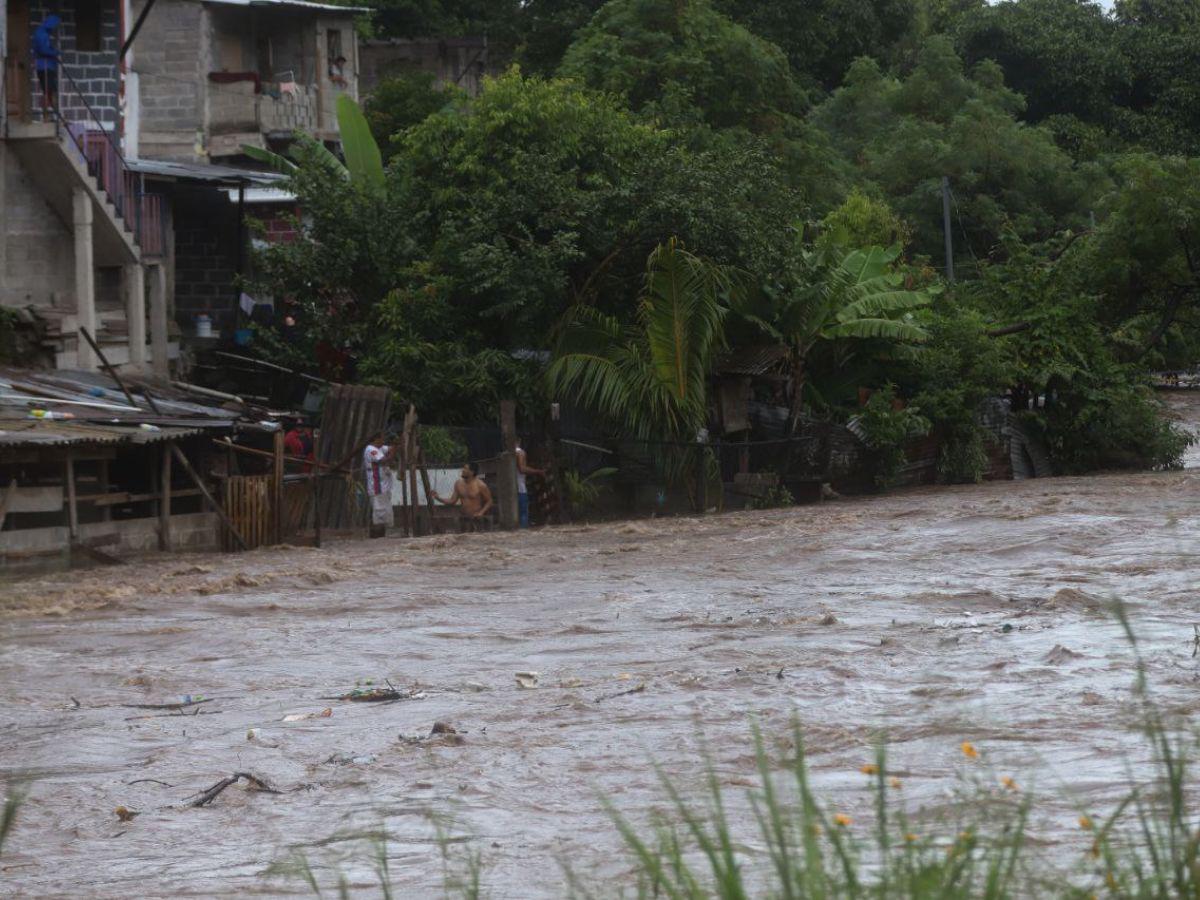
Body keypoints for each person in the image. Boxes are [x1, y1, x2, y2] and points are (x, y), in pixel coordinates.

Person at [432, 462, 493, 530]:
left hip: (476, 518)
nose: (463, 470)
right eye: (463, 468)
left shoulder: (481, 485)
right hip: (463, 518)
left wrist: (481, 512)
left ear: (472, 472)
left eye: (465, 469)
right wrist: (438, 498)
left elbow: (489, 501)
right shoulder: (458, 483)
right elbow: (452, 501)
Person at [363, 430, 397, 538]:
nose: (383, 441)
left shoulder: (379, 448)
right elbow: (385, 461)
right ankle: (377, 534)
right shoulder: (371, 450)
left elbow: (389, 448)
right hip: (376, 485)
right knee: (379, 510)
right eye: (382, 439)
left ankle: (382, 533)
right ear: (376, 440)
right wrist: (393, 451)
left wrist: (396, 445)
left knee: (385, 509)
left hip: (383, 486)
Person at [514, 437, 545, 528]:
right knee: (523, 513)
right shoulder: (520, 452)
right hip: (520, 488)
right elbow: (522, 469)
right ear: (519, 441)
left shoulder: (506, 454)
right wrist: (538, 471)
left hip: (510, 488)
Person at [34, 16, 61, 111]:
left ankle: (51, 116)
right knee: (50, 92)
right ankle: (51, 116)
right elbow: (43, 50)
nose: (55, 28)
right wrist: (56, 52)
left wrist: (53, 50)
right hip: (45, 66)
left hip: (45, 66)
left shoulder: (42, 33)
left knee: (48, 92)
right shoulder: (42, 34)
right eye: (55, 26)